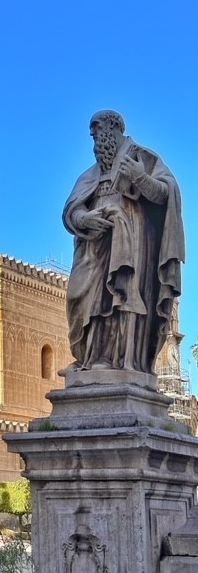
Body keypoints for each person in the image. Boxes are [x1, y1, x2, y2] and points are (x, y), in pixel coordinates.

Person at [62, 110, 184, 375]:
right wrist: (85, 218)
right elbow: (72, 209)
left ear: (114, 128)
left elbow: (167, 194)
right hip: (93, 247)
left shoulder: (143, 157)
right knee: (80, 299)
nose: (93, 137)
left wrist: (141, 177)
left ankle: (120, 362)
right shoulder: (90, 174)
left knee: (124, 299)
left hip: (134, 243)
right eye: (92, 134)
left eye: (97, 130)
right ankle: (91, 359)